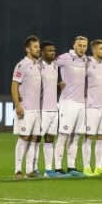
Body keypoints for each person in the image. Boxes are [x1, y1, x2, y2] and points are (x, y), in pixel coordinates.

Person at [54, 36, 90, 177]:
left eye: (84, 46)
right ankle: (57, 168)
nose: (82, 48)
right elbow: (48, 65)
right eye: (80, 45)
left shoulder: (86, 60)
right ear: (74, 45)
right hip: (67, 102)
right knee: (63, 135)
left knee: (76, 137)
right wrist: (57, 83)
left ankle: (71, 167)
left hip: (81, 103)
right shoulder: (64, 58)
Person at [10, 36, 43, 179]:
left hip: (37, 109)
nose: (38, 49)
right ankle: (18, 169)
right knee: (24, 137)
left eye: (38, 46)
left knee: (35, 138)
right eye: (35, 47)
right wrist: (17, 105)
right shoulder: (22, 65)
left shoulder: (39, 65)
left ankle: (30, 169)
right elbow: (14, 85)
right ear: (27, 49)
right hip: (26, 108)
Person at [83, 39, 102, 176]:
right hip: (91, 106)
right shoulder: (87, 63)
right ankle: (87, 167)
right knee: (88, 137)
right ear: (93, 50)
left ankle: (99, 166)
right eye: (101, 49)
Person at [37, 41, 61, 177]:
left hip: (53, 107)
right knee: (36, 138)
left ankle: (48, 169)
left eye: (54, 50)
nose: (52, 52)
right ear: (42, 52)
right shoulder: (37, 66)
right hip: (41, 108)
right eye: (49, 50)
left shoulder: (55, 66)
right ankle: (32, 168)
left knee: (50, 138)